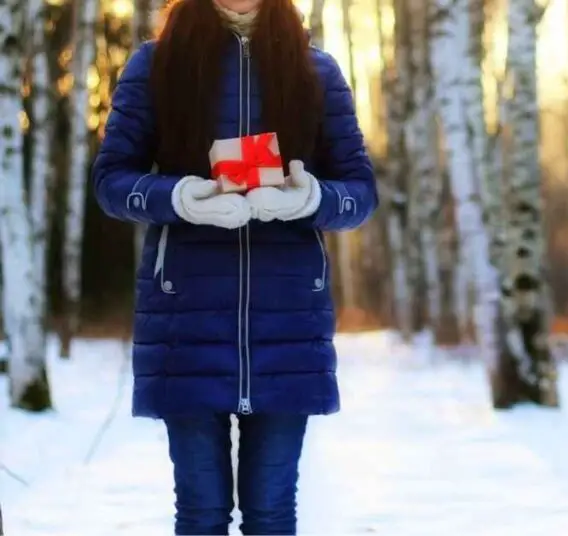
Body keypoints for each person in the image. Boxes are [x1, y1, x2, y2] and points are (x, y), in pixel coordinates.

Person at [91, 0, 378, 533]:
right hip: (186, 318)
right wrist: (179, 196)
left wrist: (310, 198)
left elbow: (360, 191)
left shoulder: (317, 70)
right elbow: (111, 181)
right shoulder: (155, 65)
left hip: (288, 321)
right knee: (201, 510)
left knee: (271, 509)